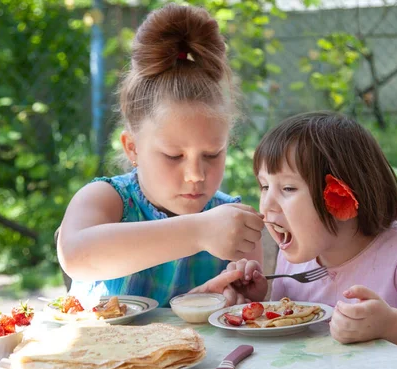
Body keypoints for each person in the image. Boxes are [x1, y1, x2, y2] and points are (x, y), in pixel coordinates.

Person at [196, 112, 397, 369]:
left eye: (288, 188)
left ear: (341, 195)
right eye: (265, 186)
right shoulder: (295, 258)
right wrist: (262, 301)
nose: (267, 205)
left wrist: (390, 326)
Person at [57, 4, 264, 307]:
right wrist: (200, 231)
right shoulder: (108, 199)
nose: (196, 174)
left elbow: (239, 318)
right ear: (132, 148)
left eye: (211, 154)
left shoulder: (232, 223)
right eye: (173, 156)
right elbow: (75, 255)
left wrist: (242, 296)